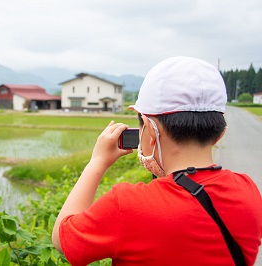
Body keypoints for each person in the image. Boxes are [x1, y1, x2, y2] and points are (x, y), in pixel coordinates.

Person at [52, 56, 262, 265]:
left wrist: (97, 163)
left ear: (150, 130)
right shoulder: (248, 191)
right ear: (219, 134)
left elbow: (63, 239)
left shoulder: (126, 206)